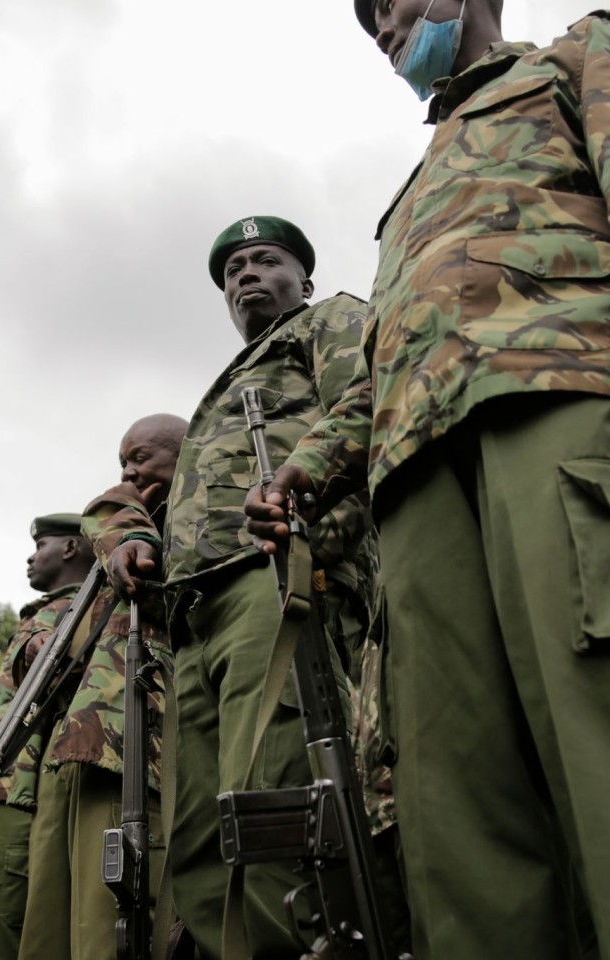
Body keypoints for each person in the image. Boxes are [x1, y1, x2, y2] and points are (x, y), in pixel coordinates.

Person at [247, 5, 610, 957]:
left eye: (393, 4)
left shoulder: (584, 53)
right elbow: (386, 362)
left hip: (572, 418)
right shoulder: (408, 198)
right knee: (463, 817)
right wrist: (306, 468)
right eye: (367, 19)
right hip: (416, 480)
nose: (382, 27)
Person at [109, 219, 377, 958]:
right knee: (198, 830)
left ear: (306, 279)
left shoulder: (330, 321)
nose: (246, 274)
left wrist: (322, 546)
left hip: (276, 577)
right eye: (233, 270)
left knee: (273, 797)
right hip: (197, 613)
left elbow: (370, 409)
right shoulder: (226, 385)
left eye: (266, 260)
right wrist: (140, 544)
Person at [15, 415, 185, 960]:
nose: (130, 473)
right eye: (122, 464)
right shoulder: (120, 549)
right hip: (81, 750)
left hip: (138, 748)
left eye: (141, 458)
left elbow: (164, 591)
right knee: (49, 931)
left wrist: (119, 511)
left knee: (110, 930)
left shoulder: (185, 524)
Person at [0, 511, 98, 960]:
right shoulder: (42, 613)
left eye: (39, 547)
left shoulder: (85, 608)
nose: (30, 559)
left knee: (11, 931)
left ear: (69, 548)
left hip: (19, 789)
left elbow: (69, 685)